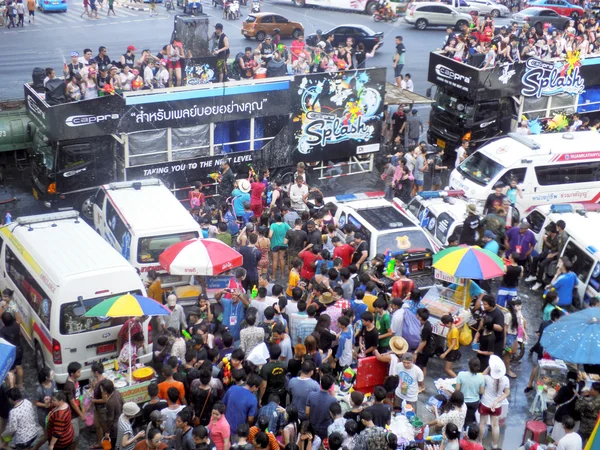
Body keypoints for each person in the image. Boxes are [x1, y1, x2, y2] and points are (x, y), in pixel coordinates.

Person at [478, 356, 510, 450]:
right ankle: (495, 444)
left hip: (485, 403)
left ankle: (480, 441)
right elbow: (507, 392)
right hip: (497, 406)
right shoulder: (505, 380)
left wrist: (489, 367)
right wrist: (497, 400)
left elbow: (481, 375)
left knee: (482, 424)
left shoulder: (487, 378)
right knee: (495, 425)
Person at [455, 358, 485, 431]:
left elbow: (457, 389)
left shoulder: (461, 374)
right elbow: (481, 392)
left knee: (461, 420)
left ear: (469, 365)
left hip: (462, 401)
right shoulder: (481, 377)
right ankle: (468, 433)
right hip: (474, 402)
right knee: (470, 420)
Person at [306, 374, 337, 439]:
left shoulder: (311, 395)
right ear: (331, 386)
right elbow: (334, 416)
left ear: (320, 383)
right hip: (325, 428)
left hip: (313, 426)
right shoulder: (333, 400)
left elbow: (307, 413)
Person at [414, 308, 435, 378]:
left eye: (417, 314)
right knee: (423, 366)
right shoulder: (426, 323)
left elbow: (424, 342)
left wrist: (416, 352)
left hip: (425, 350)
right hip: (426, 349)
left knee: (421, 367)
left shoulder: (426, 328)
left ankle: (421, 383)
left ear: (420, 317)